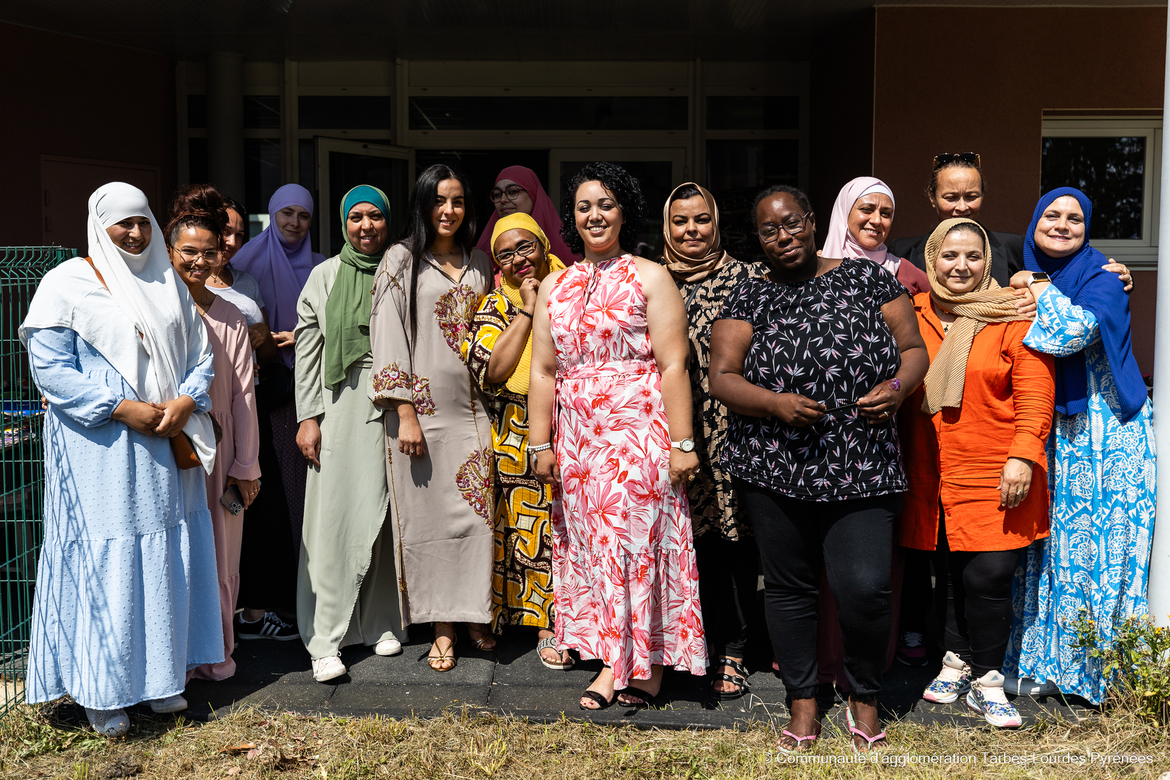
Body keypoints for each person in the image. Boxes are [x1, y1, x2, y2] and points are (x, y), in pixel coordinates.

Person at [709, 185, 928, 753]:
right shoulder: (746, 294)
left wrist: (898, 387)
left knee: (865, 589)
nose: (783, 237)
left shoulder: (869, 279)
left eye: (791, 223)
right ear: (757, 239)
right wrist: (775, 403)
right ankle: (802, 703)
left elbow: (914, 350)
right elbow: (723, 378)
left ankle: (863, 696)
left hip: (862, 461)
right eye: (769, 230)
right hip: (774, 465)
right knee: (789, 589)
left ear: (811, 221)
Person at [20, 182, 222, 736]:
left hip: (164, 443)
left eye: (142, 222)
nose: (135, 234)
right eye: (122, 224)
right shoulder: (67, 284)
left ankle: (159, 679)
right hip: (101, 452)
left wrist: (185, 400)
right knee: (108, 558)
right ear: (98, 223)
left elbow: (200, 356)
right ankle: (100, 690)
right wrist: (118, 407)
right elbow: (51, 369)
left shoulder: (165, 280)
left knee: (161, 561)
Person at [529, 162, 708, 710]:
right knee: (591, 548)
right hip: (578, 440)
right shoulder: (556, 285)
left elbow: (674, 364)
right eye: (584, 207)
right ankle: (621, 654)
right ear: (572, 218)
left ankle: (628, 665)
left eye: (605, 204)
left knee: (635, 546)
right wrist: (540, 445)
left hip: (637, 436)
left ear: (624, 211)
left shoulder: (652, 276)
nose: (595, 215)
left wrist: (682, 444)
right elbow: (542, 371)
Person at [898, 218, 1054, 728]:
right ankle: (954, 661)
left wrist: (1022, 454)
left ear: (988, 261)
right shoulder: (911, 312)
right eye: (948, 255)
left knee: (989, 575)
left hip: (994, 465)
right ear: (931, 258)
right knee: (948, 573)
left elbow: (1035, 391)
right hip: (929, 469)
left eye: (972, 256)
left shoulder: (1011, 314)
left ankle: (988, 679)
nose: (960, 267)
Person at [1004, 188, 1156, 705]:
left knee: (1100, 554)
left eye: (1075, 219)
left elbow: (1068, 333)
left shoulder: (1104, 278)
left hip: (1109, 436)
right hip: (1056, 433)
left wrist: (1039, 287)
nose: (1063, 225)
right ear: (1034, 221)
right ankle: (1046, 664)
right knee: (1052, 550)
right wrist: (1025, 281)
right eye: (1052, 215)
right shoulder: (1018, 271)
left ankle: (1097, 676)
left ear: (1087, 230)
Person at [369, 164, 496, 672]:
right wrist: (405, 413)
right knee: (427, 524)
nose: (449, 211)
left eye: (459, 201)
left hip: (474, 411)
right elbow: (388, 336)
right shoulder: (400, 260)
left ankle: (473, 614)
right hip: (418, 416)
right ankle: (441, 627)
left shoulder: (481, 261)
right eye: (439, 201)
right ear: (422, 205)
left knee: (476, 520)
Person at [660, 182, 766, 701]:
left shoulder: (748, 278)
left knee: (732, 546)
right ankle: (683, 646)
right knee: (679, 545)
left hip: (734, 436)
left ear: (717, 223)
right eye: (680, 221)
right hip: (664, 434)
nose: (691, 231)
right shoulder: (649, 279)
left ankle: (735, 650)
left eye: (701, 220)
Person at [295, 185, 404, 682]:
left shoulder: (401, 269)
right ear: (343, 223)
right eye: (356, 217)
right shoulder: (324, 276)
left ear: (387, 221)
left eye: (375, 217)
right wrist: (309, 417)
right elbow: (308, 355)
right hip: (338, 405)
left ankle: (381, 621)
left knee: (386, 517)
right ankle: (326, 639)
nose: (366, 226)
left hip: (393, 402)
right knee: (336, 520)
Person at [463, 212, 572, 670]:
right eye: (504, 253)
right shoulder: (493, 306)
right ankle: (530, 618)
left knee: (570, 526)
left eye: (525, 246)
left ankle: (565, 621)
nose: (517, 259)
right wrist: (528, 308)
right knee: (526, 528)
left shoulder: (574, 289)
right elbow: (493, 370)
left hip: (574, 424)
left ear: (544, 243)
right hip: (515, 430)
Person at [165, 186, 262, 682]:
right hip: (166, 454)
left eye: (210, 252)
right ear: (170, 253)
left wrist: (247, 464)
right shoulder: (155, 313)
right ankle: (172, 660)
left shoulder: (230, 315)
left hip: (220, 458)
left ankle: (215, 652)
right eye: (189, 252)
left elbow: (245, 394)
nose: (199, 261)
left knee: (222, 559)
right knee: (173, 555)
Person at [211, 194, 299, 641]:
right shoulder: (176, 281)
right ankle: (212, 619)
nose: (229, 241)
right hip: (203, 410)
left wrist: (261, 338)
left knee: (255, 504)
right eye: (222, 231)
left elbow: (263, 348)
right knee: (209, 508)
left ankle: (251, 613)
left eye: (237, 234)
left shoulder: (244, 280)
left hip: (250, 402)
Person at [231, 184, 325, 559]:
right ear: (272, 215)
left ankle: (297, 588)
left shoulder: (321, 266)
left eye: (304, 215)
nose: (295, 222)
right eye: (287, 213)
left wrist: (304, 335)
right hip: (257, 392)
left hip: (306, 390)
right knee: (259, 489)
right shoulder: (242, 266)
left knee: (302, 488)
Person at [822, 176, 930, 294]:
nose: (877, 220)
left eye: (885, 213)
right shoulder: (816, 269)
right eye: (866, 209)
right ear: (845, 213)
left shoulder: (903, 270)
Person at [475, 165, 581, 264]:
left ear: (532, 194)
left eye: (512, 192)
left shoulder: (566, 251)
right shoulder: (484, 255)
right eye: (497, 194)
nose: (503, 200)